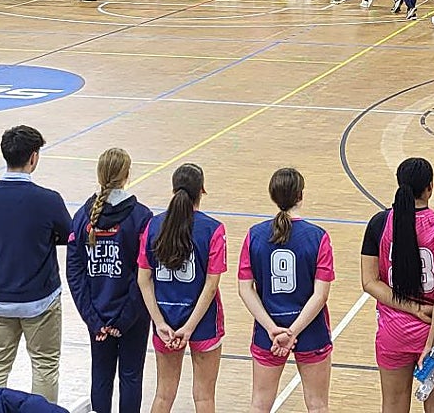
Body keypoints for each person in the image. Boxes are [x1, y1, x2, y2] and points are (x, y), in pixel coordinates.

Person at [0, 125, 73, 403]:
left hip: (0, 296)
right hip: (40, 299)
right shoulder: (48, 199)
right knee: (44, 365)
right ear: (33, 157)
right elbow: (68, 235)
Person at [361, 158, 434, 413]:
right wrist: (431, 342)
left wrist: (411, 307)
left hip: (393, 332)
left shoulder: (378, 224)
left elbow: (370, 282)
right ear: (430, 187)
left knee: (393, 406)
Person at [66, 149, 153, 413]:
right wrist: (125, 319)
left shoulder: (83, 216)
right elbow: (145, 275)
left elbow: (75, 273)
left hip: (98, 316)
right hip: (133, 317)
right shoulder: (141, 217)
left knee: (101, 377)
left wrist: (92, 318)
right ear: (127, 175)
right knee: (131, 376)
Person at [240, 168, 333, 413]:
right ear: (301, 195)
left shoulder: (254, 235)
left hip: (267, 332)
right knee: (317, 405)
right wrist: (292, 332)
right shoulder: (318, 237)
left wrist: (272, 328)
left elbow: (245, 289)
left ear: (273, 196)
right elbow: (320, 295)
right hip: (311, 330)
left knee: (259, 405)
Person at [137, 164, 225, 413]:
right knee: (204, 397)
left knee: (163, 395)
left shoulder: (153, 225)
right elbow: (211, 285)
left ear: (174, 189)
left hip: (165, 320)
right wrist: (189, 328)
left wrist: (160, 323)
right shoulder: (213, 229)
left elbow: (144, 280)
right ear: (202, 190)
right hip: (203, 322)